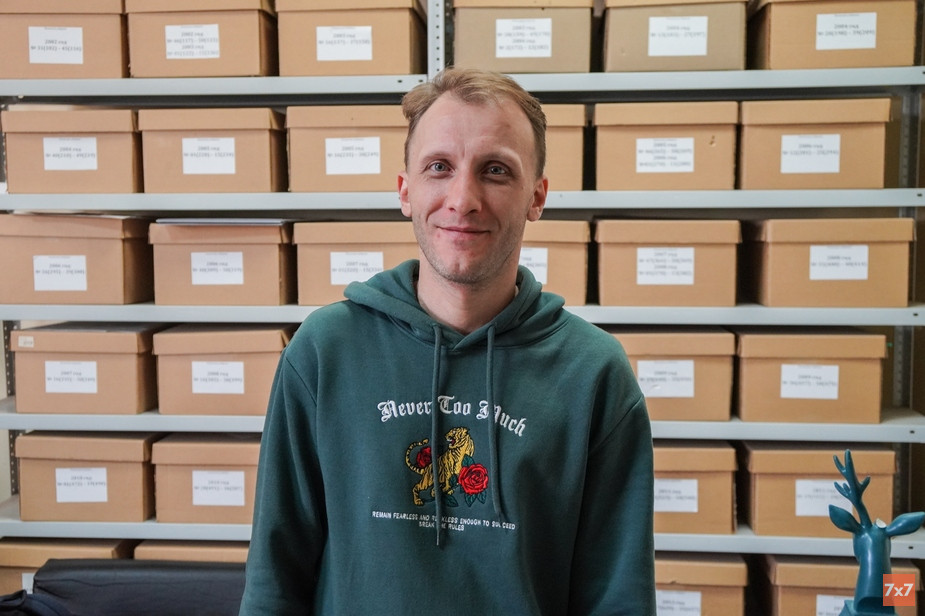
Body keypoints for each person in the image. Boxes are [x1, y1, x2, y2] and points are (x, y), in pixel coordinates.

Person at [239, 67, 655, 615]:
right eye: (439, 167)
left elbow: (618, 600)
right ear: (405, 191)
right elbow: (274, 581)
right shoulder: (324, 351)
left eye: (496, 171)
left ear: (537, 197)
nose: (463, 199)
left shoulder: (594, 373)